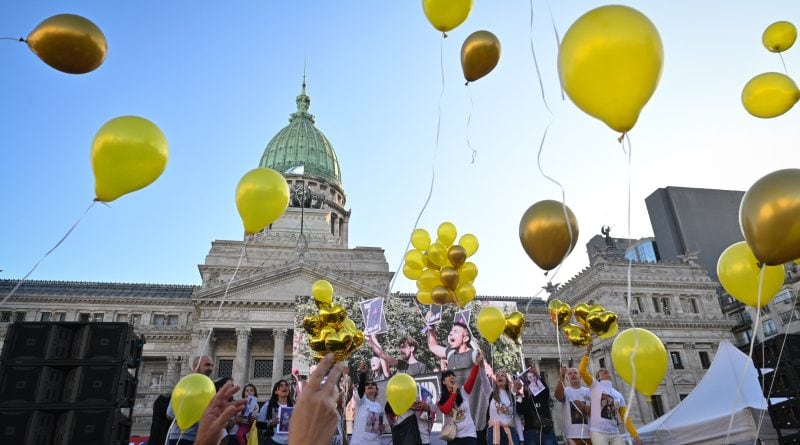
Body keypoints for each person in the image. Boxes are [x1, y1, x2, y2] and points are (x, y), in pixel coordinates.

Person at [579, 342, 642, 445]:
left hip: (615, 432)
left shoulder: (618, 394)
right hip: (598, 432)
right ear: (598, 377)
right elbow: (582, 371)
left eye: (606, 370)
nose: (605, 370)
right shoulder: (595, 385)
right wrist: (587, 353)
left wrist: (635, 436)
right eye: (602, 371)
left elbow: (625, 418)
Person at [437, 351, 484, 445]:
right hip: (453, 436)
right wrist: (454, 393)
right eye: (448, 376)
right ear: (443, 382)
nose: (452, 378)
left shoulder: (463, 391)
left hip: (469, 434)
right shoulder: (440, 398)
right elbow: (446, 410)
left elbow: (472, 378)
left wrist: (476, 363)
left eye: (453, 376)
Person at [167, 355, 215, 445]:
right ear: (196, 366)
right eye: (207, 365)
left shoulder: (208, 387)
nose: (210, 368)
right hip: (182, 438)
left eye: (212, 365)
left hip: (200, 438)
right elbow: (170, 413)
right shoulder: (185, 384)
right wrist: (191, 420)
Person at [516, 367, 557, 445]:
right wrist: (518, 394)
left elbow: (545, 390)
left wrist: (538, 376)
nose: (532, 379)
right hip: (530, 432)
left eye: (533, 377)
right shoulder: (523, 398)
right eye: (529, 377)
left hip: (546, 430)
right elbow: (519, 410)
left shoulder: (542, 394)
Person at [350, 362, 388, 444]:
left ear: (376, 390)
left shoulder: (379, 406)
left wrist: (382, 427)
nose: (370, 385)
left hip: (376, 442)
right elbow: (360, 389)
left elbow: (380, 426)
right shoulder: (361, 400)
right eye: (367, 384)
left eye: (373, 384)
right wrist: (363, 374)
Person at [555, 367, 591, 445]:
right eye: (570, 374)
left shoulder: (588, 391)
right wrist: (561, 377)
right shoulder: (565, 391)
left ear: (580, 376)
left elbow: (595, 411)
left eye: (575, 373)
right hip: (572, 435)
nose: (573, 375)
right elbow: (558, 396)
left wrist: (585, 407)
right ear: (567, 378)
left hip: (589, 434)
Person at [486, 369, 523, 445]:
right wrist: (480, 365)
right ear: (495, 381)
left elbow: (516, 417)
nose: (500, 376)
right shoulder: (490, 393)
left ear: (506, 380)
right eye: (498, 376)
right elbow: (483, 379)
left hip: (510, 431)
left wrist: (521, 439)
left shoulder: (512, 396)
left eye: (502, 375)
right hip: (494, 432)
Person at [256, 380, 294, 445]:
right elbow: (259, 424)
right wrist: (270, 424)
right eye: (281, 386)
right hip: (273, 441)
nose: (284, 387)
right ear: (276, 391)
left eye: (286, 385)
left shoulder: (294, 406)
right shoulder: (268, 405)